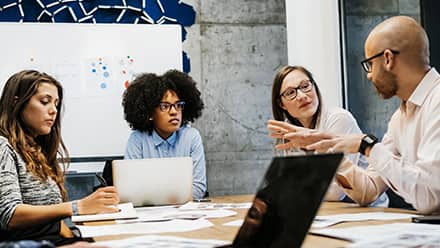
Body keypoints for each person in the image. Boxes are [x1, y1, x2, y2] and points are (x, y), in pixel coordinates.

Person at [270, 16, 440, 214]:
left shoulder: (436, 102)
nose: (368, 75)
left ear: (387, 59)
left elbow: (430, 198)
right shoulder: (399, 119)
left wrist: (366, 145)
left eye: (370, 64)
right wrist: (328, 145)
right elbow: (369, 191)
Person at [0, 70, 120, 244]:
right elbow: (10, 215)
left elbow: (49, 219)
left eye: (56, 104)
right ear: (17, 103)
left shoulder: (37, 150)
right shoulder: (3, 146)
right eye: (44, 102)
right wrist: (78, 207)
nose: (53, 111)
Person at [267, 65, 388, 206]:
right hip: (323, 210)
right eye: (290, 93)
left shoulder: (339, 119)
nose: (302, 96)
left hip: (364, 210)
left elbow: (336, 192)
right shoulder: (287, 130)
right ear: (281, 104)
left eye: (305, 86)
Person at [122, 69, 207, 199]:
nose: (174, 112)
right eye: (165, 106)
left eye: (178, 105)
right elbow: (131, 189)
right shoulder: (137, 140)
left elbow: (199, 187)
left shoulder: (191, 137)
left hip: (185, 214)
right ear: (150, 112)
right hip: (148, 215)